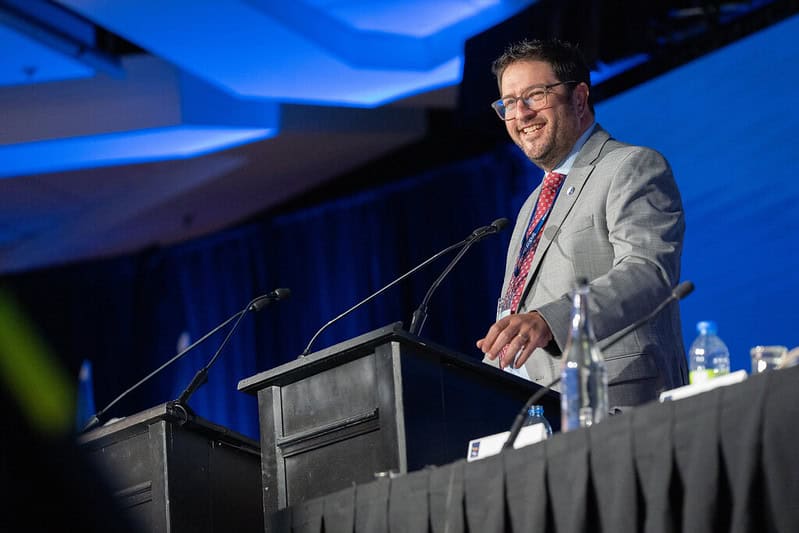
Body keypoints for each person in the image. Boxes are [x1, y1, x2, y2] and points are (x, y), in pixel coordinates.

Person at [476, 38, 688, 408]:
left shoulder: (631, 166)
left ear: (579, 97)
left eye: (535, 95)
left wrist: (550, 319)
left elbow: (648, 271)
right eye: (509, 103)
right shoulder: (529, 207)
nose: (521, 114)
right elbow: (516, 314)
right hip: (535, 413)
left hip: (617, 402)